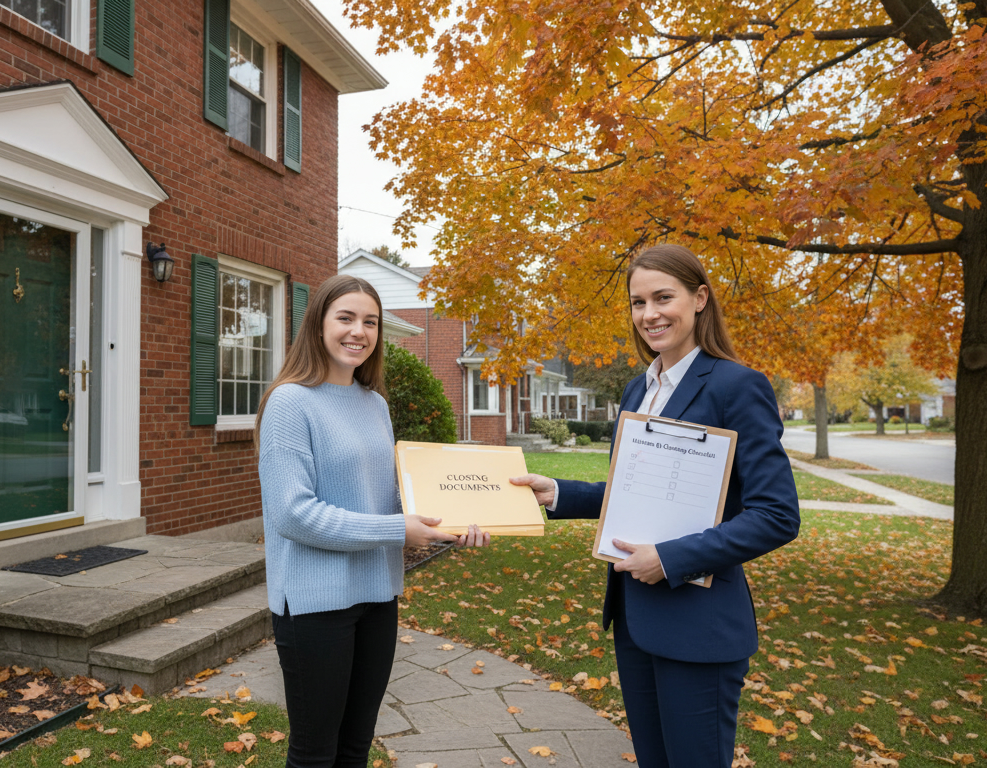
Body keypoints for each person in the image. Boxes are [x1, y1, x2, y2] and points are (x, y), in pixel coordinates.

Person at [512, 243, 799, 767]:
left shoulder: (737, 386)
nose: (649, 314)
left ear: (700, 299)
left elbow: (776, 515)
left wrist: (669, 558)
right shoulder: (637, 390)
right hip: (635, 617)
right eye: (637, 302)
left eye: (663, 298)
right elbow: (638, 494)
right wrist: (558, 491)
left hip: (700, 625)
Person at [255, 273, 489, 768]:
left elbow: (384, 500)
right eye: (345, 318)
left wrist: (459, 519)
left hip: (378, 596)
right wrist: (398, 530)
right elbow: (293, 515)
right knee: (315, 753)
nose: (358, 331)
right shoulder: (290, 402)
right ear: (318, 324)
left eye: (370, 322)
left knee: (356, 747)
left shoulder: (374, 403)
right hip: (315, 605)